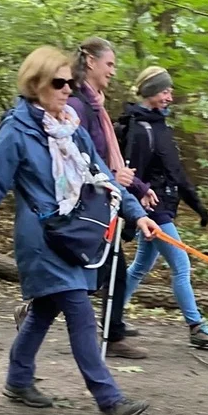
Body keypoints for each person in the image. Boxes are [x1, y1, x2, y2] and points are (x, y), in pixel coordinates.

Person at [0, 45, 159, 415]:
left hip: (73, 234)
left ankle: (17, 378)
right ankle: (108, 398)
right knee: (79, 311)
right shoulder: (16, 131)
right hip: (42, 239)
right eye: (59, 82)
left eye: (71, 81)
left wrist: (136, 213)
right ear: (36, 84)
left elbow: (104, 178)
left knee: (46, 309)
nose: (68, 89)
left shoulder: (71, 128)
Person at [117, 66, 208, 349]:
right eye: (165, 91)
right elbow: (132, 173)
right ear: (152, 93)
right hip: (154, 210)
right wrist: (137, 210)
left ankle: (112, 315)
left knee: (141, 265)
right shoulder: (141, 129)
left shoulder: (158, 125)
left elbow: (176, 173)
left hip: (164, 205)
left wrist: (197, 206)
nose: (170, 96)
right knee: (181, 265)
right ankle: (196, 327)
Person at [64, 36, 150, 359]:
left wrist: (136, 187)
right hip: (87, 205)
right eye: (109, 64)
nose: (113, 71)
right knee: (95, 271)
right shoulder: (78, 106)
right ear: (90, 62)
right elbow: (78, 157)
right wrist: (114, 179)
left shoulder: (96, 105)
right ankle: (37, 310)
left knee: (109, 268)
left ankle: (112, 333)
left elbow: (105, 157)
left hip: (106, 200)